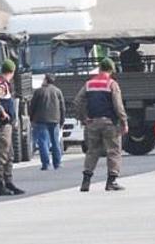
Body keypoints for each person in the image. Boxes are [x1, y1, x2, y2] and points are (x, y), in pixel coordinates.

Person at [73, 58, 128, 192]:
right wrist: (123, 121)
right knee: (113, 151)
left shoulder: (89, 84)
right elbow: (118, 105)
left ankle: (86, 182)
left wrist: (84, 118)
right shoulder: (111, 84)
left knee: (92, 151)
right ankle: (111, 182)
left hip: (93, 123)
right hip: (109, 123)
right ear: (111, 69)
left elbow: (77, 101)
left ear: (99, 68)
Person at [0, 59, 25, 196]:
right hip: (0, 124)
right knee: (2, 155)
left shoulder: (0, 82)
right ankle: (0, 184)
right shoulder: (0, 84)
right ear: (12, 72)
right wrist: (3, 113)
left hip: (4, 124)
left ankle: (8, 182)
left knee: (9, 154)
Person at [30, 74, 66, 170]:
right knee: (55, 142)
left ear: (46, 80)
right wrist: (62, 120)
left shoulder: (38, 91)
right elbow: (62, 108)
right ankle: (57, 163)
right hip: (55, 120)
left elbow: (32, 106)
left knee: (43, 142)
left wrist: (31, 119)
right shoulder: (58, 91)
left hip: (41, 120)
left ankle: (46, 164)